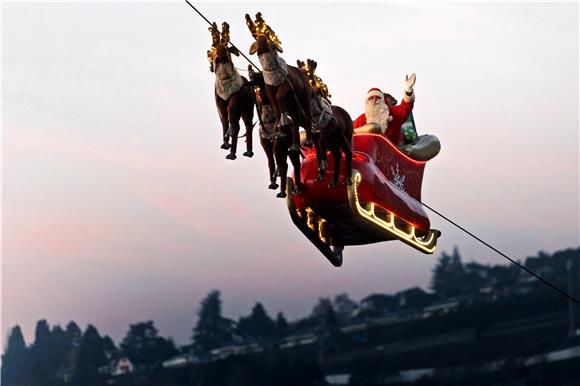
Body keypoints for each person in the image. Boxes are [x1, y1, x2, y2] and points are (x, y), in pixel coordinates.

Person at [353, 73, 416, 146]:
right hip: (370, 154)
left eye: (378, 97)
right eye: (371, 98)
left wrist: (408, 89)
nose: (375, 100)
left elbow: (406, 106)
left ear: (383, 100)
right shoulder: (360, 121)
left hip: (391, 154)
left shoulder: (394, 114)